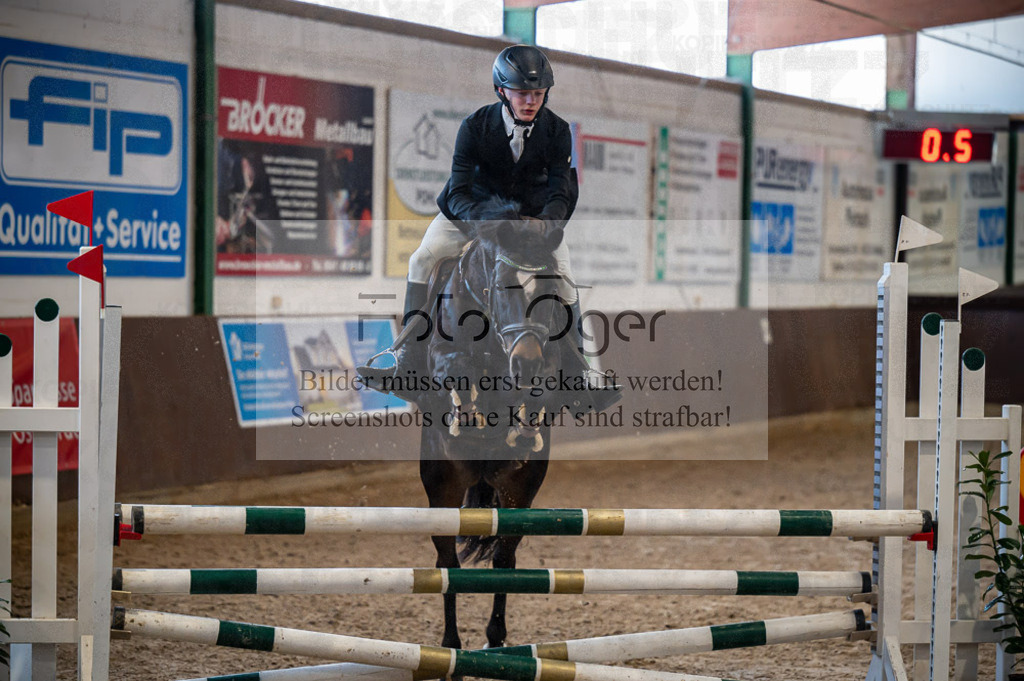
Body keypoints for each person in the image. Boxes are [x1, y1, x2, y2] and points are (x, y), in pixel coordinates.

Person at [359, 44, 617, 410]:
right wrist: (488, 224)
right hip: (471, 216)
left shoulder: (557, 131)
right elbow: (460, 191)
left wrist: (546, 224)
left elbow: (561, 190)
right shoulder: (475, 127)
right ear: (502, 91)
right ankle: (408, 364)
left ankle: (580, 375)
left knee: (563, 273)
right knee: (420, 260)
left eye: (538, 94)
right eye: (522, 93)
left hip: (530, 224)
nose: (530, 101)